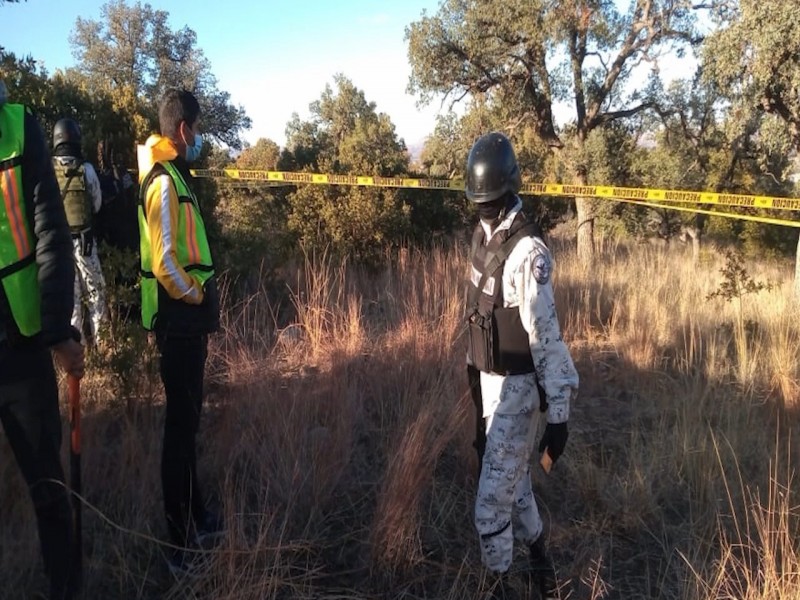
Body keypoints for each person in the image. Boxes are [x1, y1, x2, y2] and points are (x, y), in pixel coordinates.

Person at [464, 132, 578, 599]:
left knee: (489, 509)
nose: (484, 209)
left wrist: (560, 415)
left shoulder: (529, 255)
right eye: (479, 202)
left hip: (517, 392)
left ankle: (499, 588)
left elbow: (546, 339)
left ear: (509, 191)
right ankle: (541, 563)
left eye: (490, 202)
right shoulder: (483, 234)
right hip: (488, 386)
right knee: (517, 488)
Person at [0, 81, 85, 599]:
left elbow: (50, 229)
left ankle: (66, 587)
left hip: (21, 341)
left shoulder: (18, 126)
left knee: (49, 491)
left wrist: (58, 331)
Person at [136, 89, 221, 573]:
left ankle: (200, 517)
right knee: (178, 431)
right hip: (178, 321)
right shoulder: (164, 183)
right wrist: (197, 295)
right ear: (183, 129)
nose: (199, 137)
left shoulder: (175, 175)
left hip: (188, 323)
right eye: (198, 128)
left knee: (188, 426)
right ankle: (178, 544)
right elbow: (166, 261)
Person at [51, 118, 108, 346]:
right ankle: (104, 350)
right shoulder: (86, 170)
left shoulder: (47, 170)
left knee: (71, 302)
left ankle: (77, 350)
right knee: (97, 295)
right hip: (84, 244)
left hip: (58, 245)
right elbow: (96, 205)